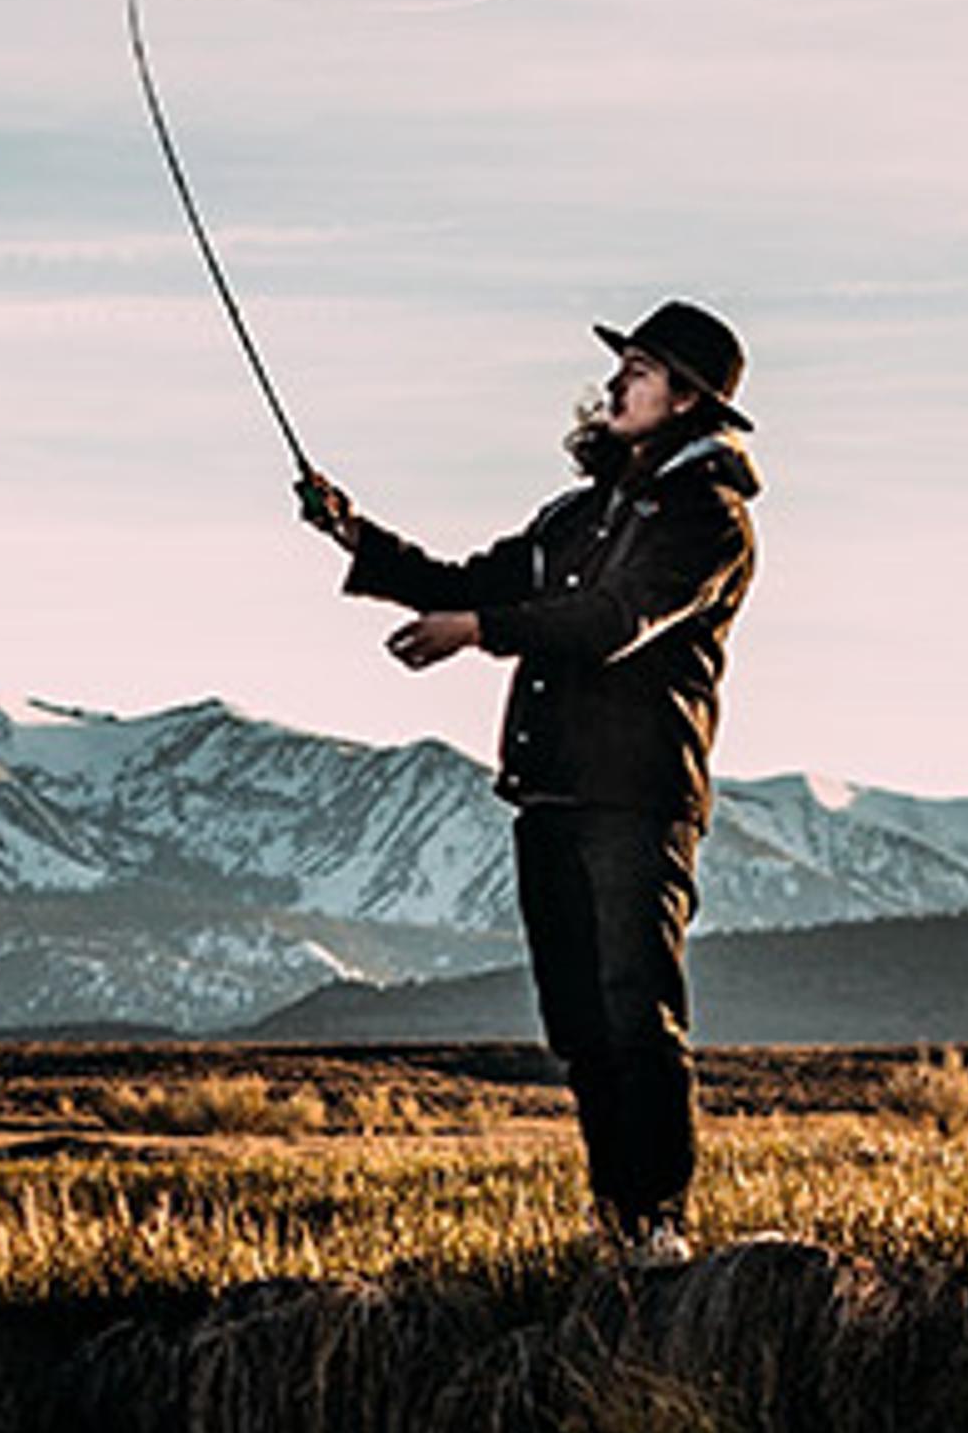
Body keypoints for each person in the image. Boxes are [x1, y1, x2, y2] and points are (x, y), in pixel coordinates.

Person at [295, 300, 761, 1266]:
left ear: (688, 399)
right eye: (622, 366)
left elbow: (612, 621)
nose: (617, 384)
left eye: (639, 369)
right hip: (550, 791)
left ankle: (662, 1223)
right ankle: (620, 1226)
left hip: (638, 796)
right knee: (580, 1023)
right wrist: (354, 537)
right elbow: (476, 579)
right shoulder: (575, 514)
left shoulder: (710, 520)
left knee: (639, 1010)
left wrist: (476, 632)